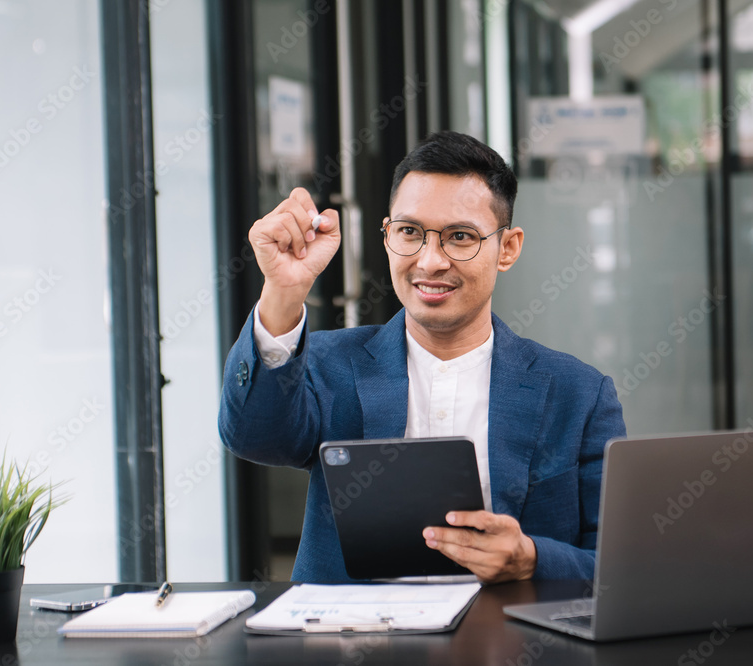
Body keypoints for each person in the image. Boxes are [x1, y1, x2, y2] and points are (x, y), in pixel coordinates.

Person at [219, 131, 625, 584]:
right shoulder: (329, 363)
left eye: (460, 237)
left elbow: (618, 568)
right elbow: (254, 437)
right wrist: (282, 293)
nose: (430, 262)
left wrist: (531, 559)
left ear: (506, 248)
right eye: (410, 232)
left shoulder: (579, 394)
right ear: (388, 234)